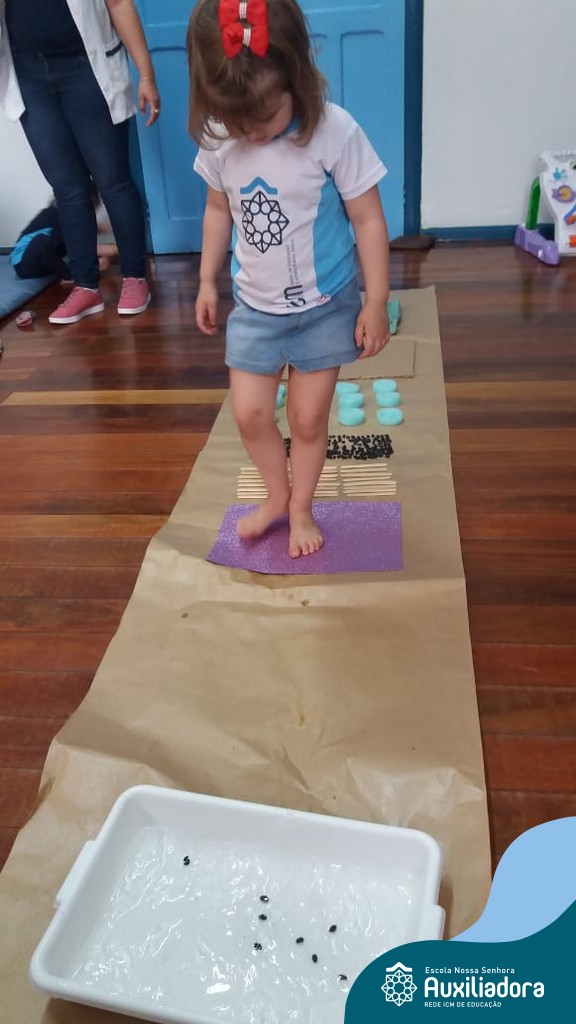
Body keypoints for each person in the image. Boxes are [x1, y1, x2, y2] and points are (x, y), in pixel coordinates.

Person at [188, 0, 391, 558]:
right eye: (238, 121)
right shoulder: (219, 135)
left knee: (306, 419)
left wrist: (376, 300)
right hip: (254, 310)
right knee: (250, 413)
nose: (252, 132)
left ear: (297, 77)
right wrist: (205, 281)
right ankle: (276, 495)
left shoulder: (334, 131)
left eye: (267, 115)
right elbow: (217, 210)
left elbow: (368, 219)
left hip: (324, 307)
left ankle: (301, 507)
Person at [0, 0, 160, 324]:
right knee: (67, 188)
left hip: (86, 65)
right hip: (28, 75)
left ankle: (134, 278)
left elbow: (118, 3)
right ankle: (86, 286)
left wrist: (146, 73)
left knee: (112, 180)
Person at [10, 193, 119, 283]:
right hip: (25, 265)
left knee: (74, 244)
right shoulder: (56, 216)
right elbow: (86, 248)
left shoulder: (72, 219)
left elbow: (95, 227)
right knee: (43, 241)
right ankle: (68, 276)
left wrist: (122, 231)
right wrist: (120, 248)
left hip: (45, 263)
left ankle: (72, 272)